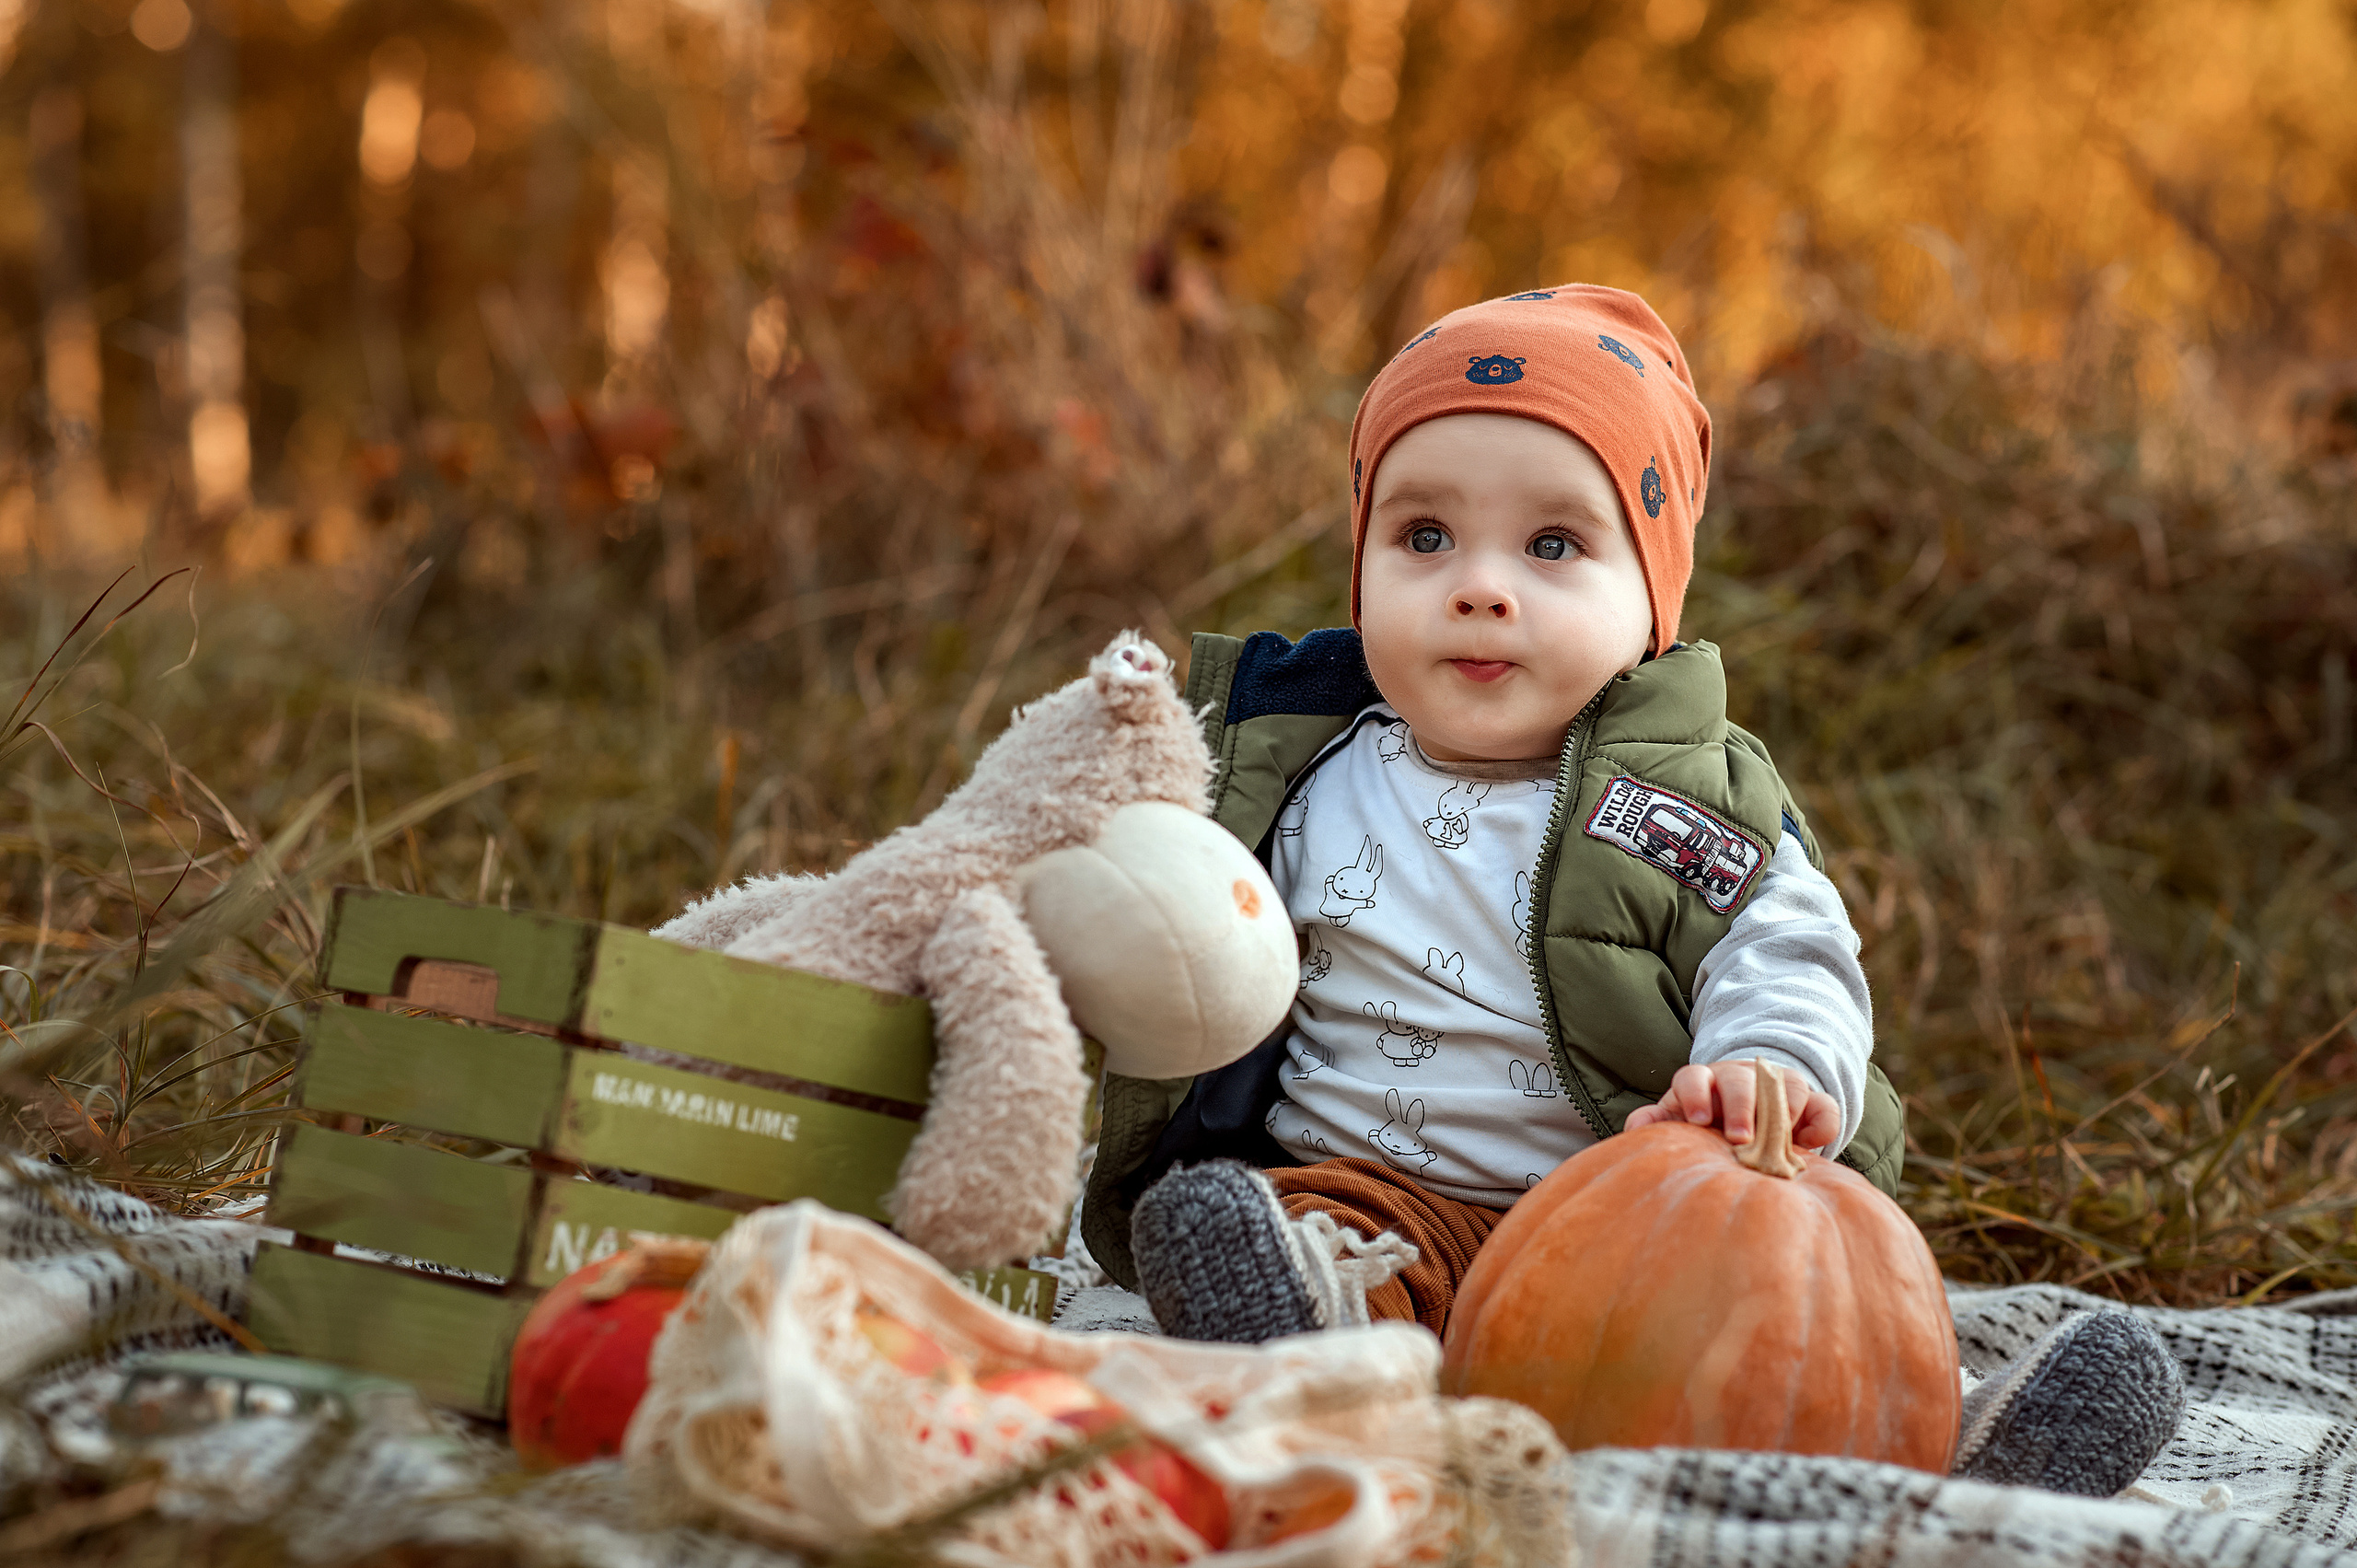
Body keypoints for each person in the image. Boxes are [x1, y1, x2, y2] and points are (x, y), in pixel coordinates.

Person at [1078, 284, 2185, 1497]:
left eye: (1553, 546)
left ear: (1653, 600)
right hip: (1373, 1197)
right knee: (1305, 1238)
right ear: (1360, 568)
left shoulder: (1677, 802)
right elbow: (1184, 920)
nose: (1480, 586)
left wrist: (1776, 1064)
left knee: (1793, 1344)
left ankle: (1957, 1441)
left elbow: (1786, 947)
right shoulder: (1294, 766)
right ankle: (1305, 1332)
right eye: (1424, 536)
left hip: (1634, 1236)